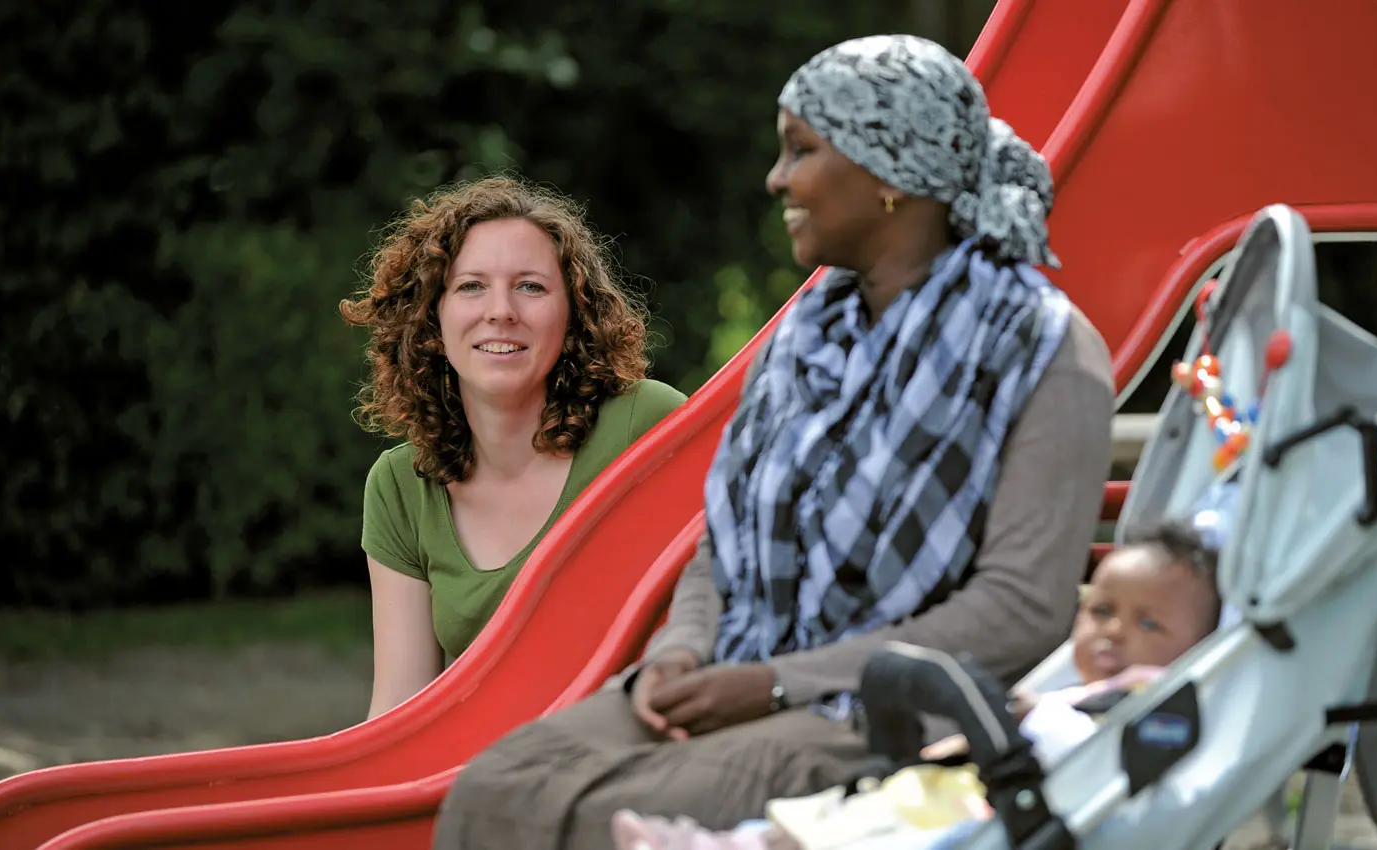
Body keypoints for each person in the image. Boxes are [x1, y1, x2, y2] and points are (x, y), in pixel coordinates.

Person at [431, 35, 1116, 850]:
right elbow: (725, 542)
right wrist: (681, 654)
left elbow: (1023, 609)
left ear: (889, 173)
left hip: (890, 716)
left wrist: (779, 683)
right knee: (492, 791)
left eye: (803, 150)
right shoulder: (805, 338)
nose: (777, 178)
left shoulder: (1044, 349)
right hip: (735, 669)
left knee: (596, 826)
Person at [606, 520, 1224, 850]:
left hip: (1006, 813)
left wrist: (1028, 717)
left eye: (1148, 622)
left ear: (1197, 645)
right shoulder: (1081, 686)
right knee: (840, 815)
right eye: (1102, 610)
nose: (1114, 633)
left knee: (862, 830)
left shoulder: (1160, 701)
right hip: (978, 795)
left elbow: (1094, 753)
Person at [340, 175, 687, 719]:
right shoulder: (400, 486)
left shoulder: (646, 427)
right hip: (490, 776)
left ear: (572, 314)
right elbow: (398, 709)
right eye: (471, 286)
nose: (500, 310)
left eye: (530, 286)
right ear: (431, 318)